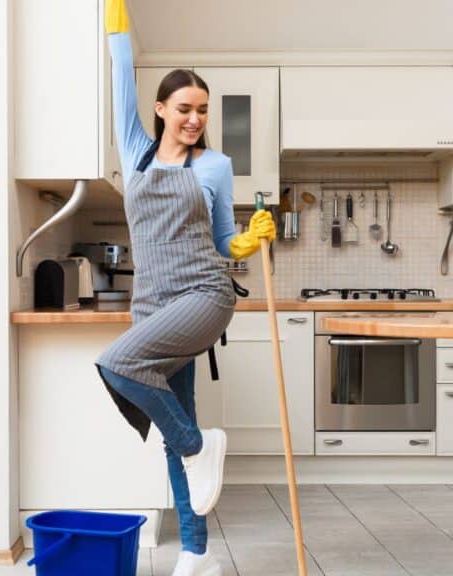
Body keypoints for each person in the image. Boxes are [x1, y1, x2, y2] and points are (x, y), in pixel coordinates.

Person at [95, 1, 276, 574]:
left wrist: (247, 241)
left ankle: (202, 447)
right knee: (174, 434)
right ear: (160, 109)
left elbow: (222, 241)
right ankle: (197, 554)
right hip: (151, 306)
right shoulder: (134, 148)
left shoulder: (216, 166)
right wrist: (115, 19)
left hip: (202, 293)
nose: (194, 118)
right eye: (184, 108)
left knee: (116, 365)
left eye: (202, 110)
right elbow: (120, 74)